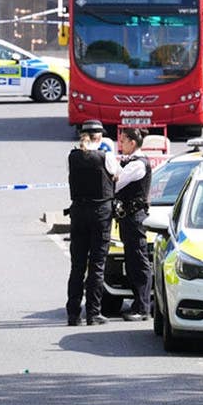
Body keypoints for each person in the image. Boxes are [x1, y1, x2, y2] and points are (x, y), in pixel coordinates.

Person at [66, 120, 120, 326]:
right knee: (97, 265)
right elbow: (117, 176)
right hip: (100, 214)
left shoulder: (72, 156)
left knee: (77, 265)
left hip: (78, 212)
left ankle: (73, 313)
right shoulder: (106, 156)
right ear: (100, 137)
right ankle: (93, 313)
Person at [114, 127, 152, 321]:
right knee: (132, 261)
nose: (120, 144)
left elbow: (116, 183)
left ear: (133, 143)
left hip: (135, 218)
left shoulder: (137, 164)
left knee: (138, 262)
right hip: (129, 218)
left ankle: (142, 308)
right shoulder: (131, 162)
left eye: (123, 140)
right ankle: (139, 304)